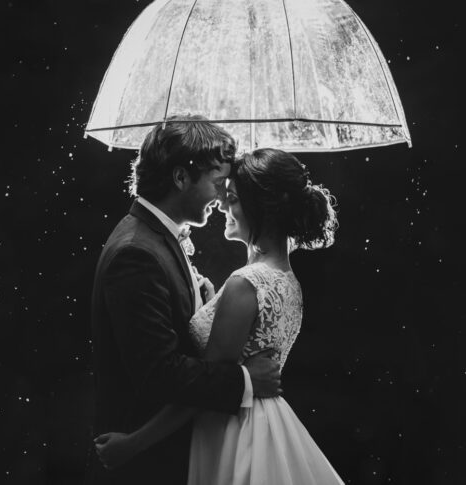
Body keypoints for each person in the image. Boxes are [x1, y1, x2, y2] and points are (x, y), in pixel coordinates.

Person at [95, 147, 345, 484]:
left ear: (262, 209)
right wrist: (211, 305)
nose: (223, 205)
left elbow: (202, 391)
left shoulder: (246, 284)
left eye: (235, 199)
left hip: (233, 430)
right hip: (268, 425)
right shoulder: (286, 280)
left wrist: (133, 443)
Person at [86, 117, 282, 485]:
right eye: (217, 183)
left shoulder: (155, 238)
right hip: (144, 469)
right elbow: (158, 374)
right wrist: (244, 380)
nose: (223, 196)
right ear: (180, 178)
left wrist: (202, 306)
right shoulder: (136, 253)